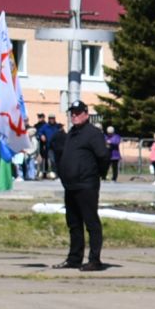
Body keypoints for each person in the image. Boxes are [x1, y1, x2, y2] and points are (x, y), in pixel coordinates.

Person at [53, 101, 110, 271]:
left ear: (86, 114)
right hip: (71, 185)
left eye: (78, 113)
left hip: (86, 185)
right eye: (72, 113)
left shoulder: (93, 133)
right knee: (74, 223)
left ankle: (95, 260)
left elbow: (103, 156)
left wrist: (97, 174)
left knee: (91, 222)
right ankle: (74, 258)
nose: (74, 116)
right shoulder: (72, 133)